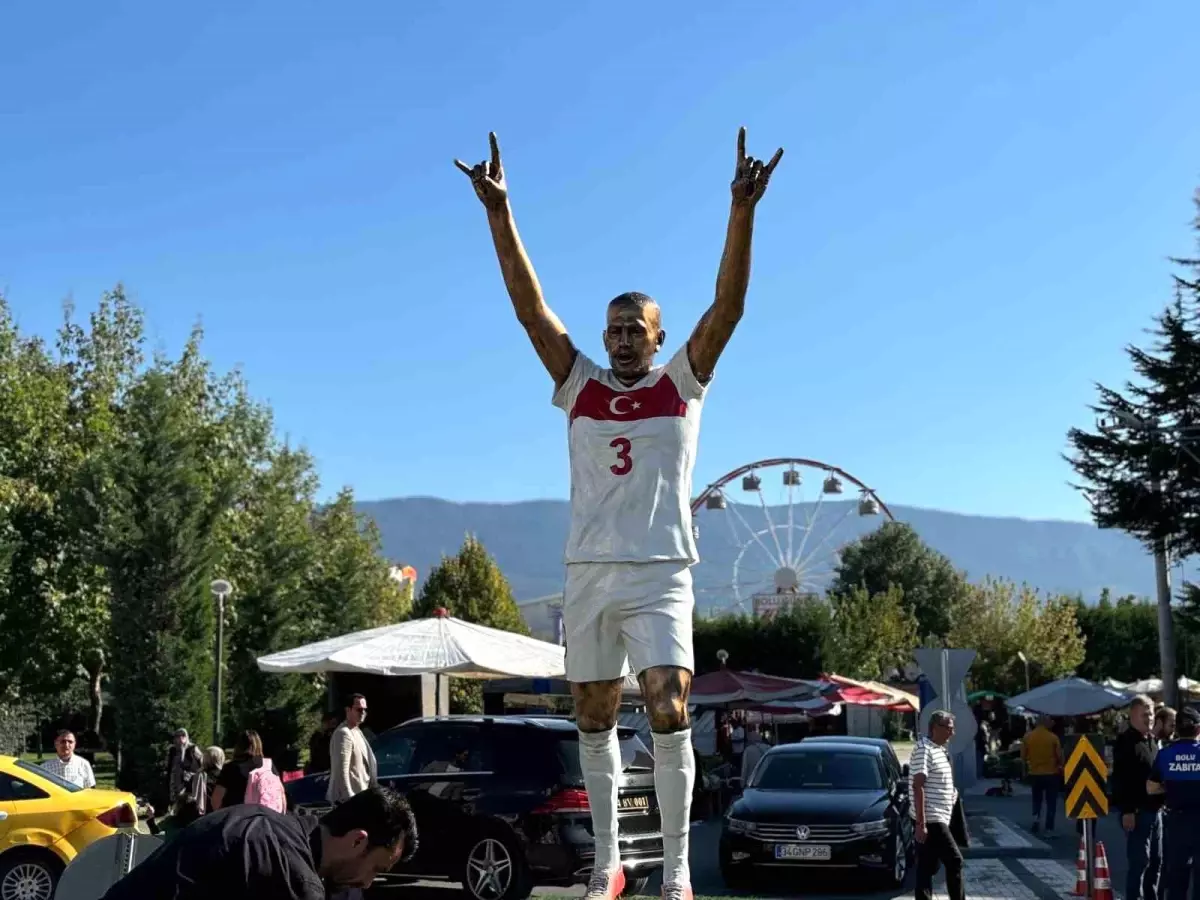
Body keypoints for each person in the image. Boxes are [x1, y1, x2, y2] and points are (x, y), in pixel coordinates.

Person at [455, 126, 783, 900]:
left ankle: (674, 871)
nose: (623, 339)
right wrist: (499, 212)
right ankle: (609, 862)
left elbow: (729, 306)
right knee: (595, 717)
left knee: (669, 704)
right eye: (614, 329)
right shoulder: (580, 386)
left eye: (637, 329)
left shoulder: (683, 383)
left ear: (660, 337)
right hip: (589, 571)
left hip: (662, 570)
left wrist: (741, 212)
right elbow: (530, 309)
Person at [102, 784, 415, 900]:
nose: (369, 882)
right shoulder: (294, 877)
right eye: (375, 869)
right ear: (358, 842)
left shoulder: (274, 824)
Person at [1148, 706, 1200, 900]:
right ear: (1199, 729)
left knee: (1177, 875)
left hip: (1177, 821)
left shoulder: (1165, 755)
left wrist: (1170, 788)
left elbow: (1150, 788)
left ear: (1177, 729)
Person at [1116, 695, 1165, 900]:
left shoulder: (1153, 741)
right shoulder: (1126, 742)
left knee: (1156, 861)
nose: (1150, 718)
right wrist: (1127, 811)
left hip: (1156, 812)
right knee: (1139, 862)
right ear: (1132, 715)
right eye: (1145, 714)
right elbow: (1121, 780)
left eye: (1152, 713)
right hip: (1137, 812)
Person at [912, 710, 963, 900]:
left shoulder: (939, 750)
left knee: (926, 866)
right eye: (949, 729)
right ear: (935, 728)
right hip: (931, 818)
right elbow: (918, 785)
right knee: (955, 860)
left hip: (942, 815)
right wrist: (921, 823)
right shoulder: (923, 749)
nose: (952, 733)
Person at [213, 729, 286, 812]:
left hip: (237, 817)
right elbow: (281, 793)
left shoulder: (230, 768)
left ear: (238, 746)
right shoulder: (269, 765)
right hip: (266, 817)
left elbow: (216, 800)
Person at [328, 694, 377, 804]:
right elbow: (341, 770)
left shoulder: (357, 731)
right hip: (350, 800)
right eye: (359, 709)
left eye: (365, 710)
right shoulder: (344, 733)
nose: (363, 712)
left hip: (361, 796)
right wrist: (349, 798)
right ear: (348, 710)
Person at [1021, 715, 1063, 833]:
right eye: (1050, 721)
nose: (1052, 723)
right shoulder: (1053, 738)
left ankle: (1036, 820)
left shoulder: (1028, 737)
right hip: (1051, 773)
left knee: (1036, 800)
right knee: (1051, 802)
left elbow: (1023, 758)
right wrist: (1061, 767)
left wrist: (1024, 772)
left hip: (1035, 773)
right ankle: (1049, 828)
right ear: (1045, 723)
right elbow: (1059, 756)